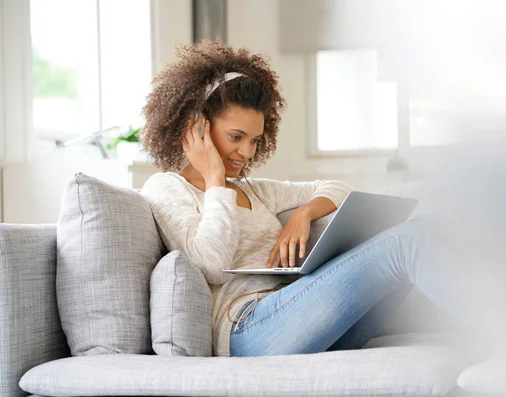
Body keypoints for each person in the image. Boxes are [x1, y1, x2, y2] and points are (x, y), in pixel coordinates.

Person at [140, 40, 458, 358]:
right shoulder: (166, 188)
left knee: (425, 227)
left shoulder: (254, 190)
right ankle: (505, 337)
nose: (247, 153)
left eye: (254, 141)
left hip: (297, 312)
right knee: (406, 244)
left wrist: (303, 213)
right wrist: (214, 179)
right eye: (236, 137)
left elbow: (335, 188)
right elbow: (212, 266)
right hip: (245, 328)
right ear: (197, 128)